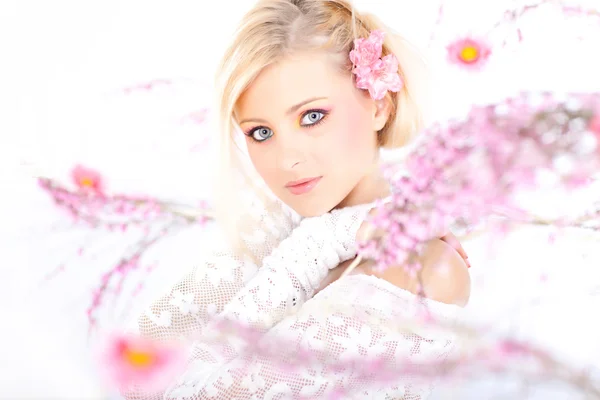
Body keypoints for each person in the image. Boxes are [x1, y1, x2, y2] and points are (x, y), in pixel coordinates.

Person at [127, 0, 471, 398]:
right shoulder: (284, 235)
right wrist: (331, 232)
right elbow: (135, 371)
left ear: (379, 104)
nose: (287, 160)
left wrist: (327, 237)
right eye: (260, 132)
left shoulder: (424, 269)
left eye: (312, 117)